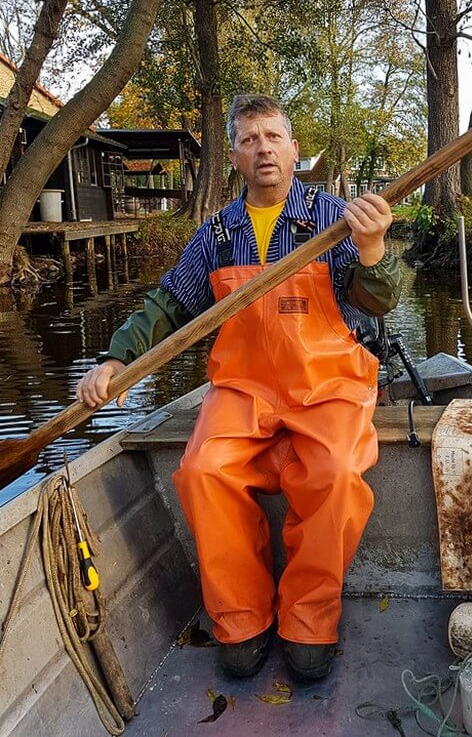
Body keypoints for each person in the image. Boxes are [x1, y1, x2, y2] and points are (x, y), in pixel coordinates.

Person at [76, 95, 401, 682]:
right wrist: (116, 357)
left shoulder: (336, 217)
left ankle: (308, 622)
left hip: (328, 382)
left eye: (273, 137)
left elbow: (379, 301)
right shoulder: (217, 234)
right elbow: (168, 303)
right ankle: (243, 620)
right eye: (250, 140)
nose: (264, 149)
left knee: (334, 477)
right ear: (234, 156)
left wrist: (374, 249)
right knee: (203, 470)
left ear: (294, 149)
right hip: (245, 386)